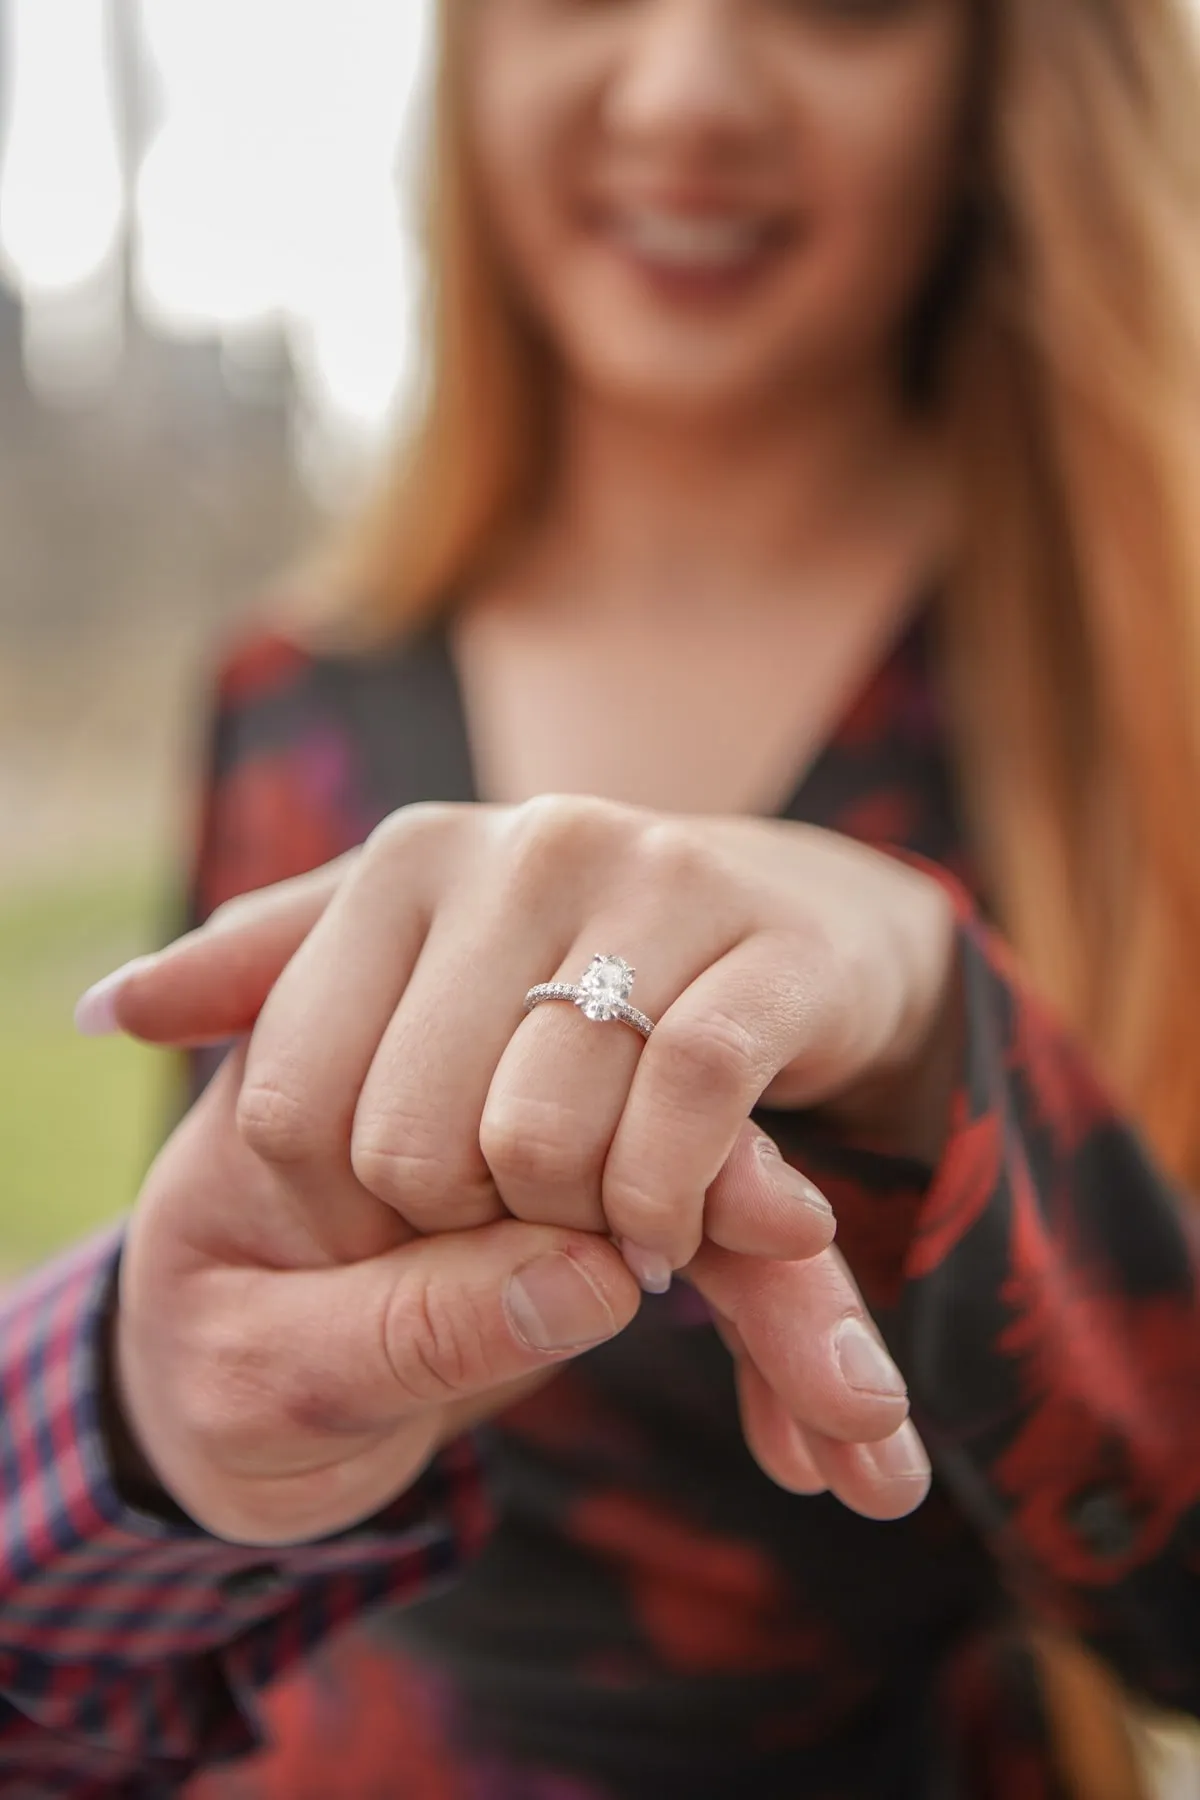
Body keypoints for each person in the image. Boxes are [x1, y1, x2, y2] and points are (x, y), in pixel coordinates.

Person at [4, 0, 1200, 1793]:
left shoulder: (1142, 701)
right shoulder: (292, 698)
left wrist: (938, 1017)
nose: (686, 91)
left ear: (1004, 72)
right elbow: (245, 1407)